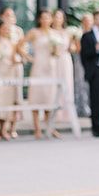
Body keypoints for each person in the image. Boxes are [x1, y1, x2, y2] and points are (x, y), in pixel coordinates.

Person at [0, 7, 29, 141]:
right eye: (7, 15)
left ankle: (10, 128)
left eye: (12, 15)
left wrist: (20, 55)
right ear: (1, 17)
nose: (9, 18)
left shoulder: (18, 31)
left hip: (14, 69)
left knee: (14, 99)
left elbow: (23, 51)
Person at [26, 9, 65, 138]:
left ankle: (50, 127)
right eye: (43, 17)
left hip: (51, 67)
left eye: (48, 17)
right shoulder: (34, 32)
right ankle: (37, 129)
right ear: (39, 19)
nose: (45, 20)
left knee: (49, 97)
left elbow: (58, 52)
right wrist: (29, 58)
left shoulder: (55, 34)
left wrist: (55, 51)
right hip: (38, 67)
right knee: (37, 97)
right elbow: (20, 45)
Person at [52, 9, 79, 131]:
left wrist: (74, 41)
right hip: (53, 60)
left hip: (65, 60)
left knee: (67, 84)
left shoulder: (67, 32)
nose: (58, 19)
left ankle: (66, 112)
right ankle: (53, 112)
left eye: (60, 17)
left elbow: (73, 49)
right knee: (53, 85)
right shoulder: (50, 32)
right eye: (56, 17)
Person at [71, 11, 92, 121]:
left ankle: (89, 107)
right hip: (80, 60)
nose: (87, 22)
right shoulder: (78, 33)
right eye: (85, 20)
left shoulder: (94, 32)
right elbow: (77, 49)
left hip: (91, 61)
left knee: (89, 85)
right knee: (80, 83)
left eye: (89, 20)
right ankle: (81, 107)